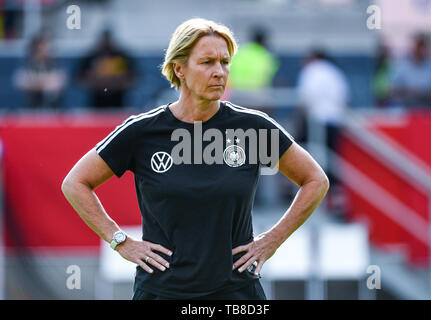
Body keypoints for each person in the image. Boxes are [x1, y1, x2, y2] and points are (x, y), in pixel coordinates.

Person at [62, 18, 329, 300]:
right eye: (207, 62)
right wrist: (120, 241)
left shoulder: (253, 128)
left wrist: (273, 239)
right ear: (179, 69)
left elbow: (315, 180)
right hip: (161, 292)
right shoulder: (143, 131)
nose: (220, 72)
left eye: (225, 62)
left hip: (237, 294)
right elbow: (75, 182)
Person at [295, 49, 350, 215]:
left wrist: (299, 125)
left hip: (316, 122)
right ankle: (337, 202)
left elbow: (305, 99)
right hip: (334, 121)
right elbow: (345, 98)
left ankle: (307, 200)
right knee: (331, 163)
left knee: (306, 160)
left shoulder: (311, 71)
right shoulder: (335, 73)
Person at [77, 29, 136, 109]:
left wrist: (115, 83)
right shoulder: (92, 57)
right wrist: (98, 82)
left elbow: (132, 78)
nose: (106, 43)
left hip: (118, 99)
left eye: (108, 40)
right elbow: (80, 79)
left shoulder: (121, 56)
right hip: (96, 99)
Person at [389, 33, 431, 108]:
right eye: (418, 46)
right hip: (407, 111)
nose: (420, 50)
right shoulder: (401, 68)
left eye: (423, 46)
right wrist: (410, 93)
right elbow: (393, 91)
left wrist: (429, 93)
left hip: (429, 110)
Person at [12, 34, 67, 109]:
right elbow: (19, 82)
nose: (41, 52)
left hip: (52, 106)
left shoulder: (55, 64)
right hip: (30, 106)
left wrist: (36, 83)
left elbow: (59, 83)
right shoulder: (26, 64)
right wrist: (41, 84)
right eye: (38, 49)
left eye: (44, 49)